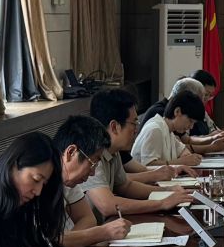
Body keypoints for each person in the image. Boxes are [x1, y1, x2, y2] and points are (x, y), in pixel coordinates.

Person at [77, 88, 194, 219]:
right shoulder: (91, 154)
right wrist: (161, 203)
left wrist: (167, 191)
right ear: (114, 127)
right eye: (134, 123)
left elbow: (126, 186)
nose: (136, 130)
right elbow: (107, 205)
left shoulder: (113, 152)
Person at [50, 115, 135, 247]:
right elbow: (51, 240)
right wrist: (104, 232)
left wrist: (71, 241)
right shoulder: (40, 183)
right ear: (71, 152)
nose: (93, 173)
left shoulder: (69, 180)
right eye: (92, 163)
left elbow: (88, 218)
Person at [134, 88, 207, 168]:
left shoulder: (169, 130)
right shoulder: (155, 129)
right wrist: (181, 162)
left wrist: (189, 157)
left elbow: (182, 150)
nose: (191, 127)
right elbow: (148, 165)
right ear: (177, 111)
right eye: (190, 121)